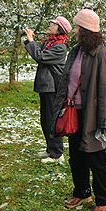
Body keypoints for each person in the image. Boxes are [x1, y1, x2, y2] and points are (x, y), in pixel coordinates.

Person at [50, 9, 106, 211]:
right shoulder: (75, 51)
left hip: (92, 115)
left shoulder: (102, 55)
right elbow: (67, 81)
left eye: (77, 27)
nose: (74, 31)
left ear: (86, 30)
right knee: (76, 156)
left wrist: (104, 121)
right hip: (73, 112)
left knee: (96, 158)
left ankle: (102, 199)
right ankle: (82, 191)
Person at [24, 17, 71, 163]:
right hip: (46, 86)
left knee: (52, 119)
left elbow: (40, 57)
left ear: (60, 29)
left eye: (53, 24)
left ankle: (57, 154)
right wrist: (31, 42)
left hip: (52, 87)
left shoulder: (60, 46)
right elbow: (39, 52)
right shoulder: (50, 42)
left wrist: (31, 42)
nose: (50, 26)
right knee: (45, 119)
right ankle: (50, 149)